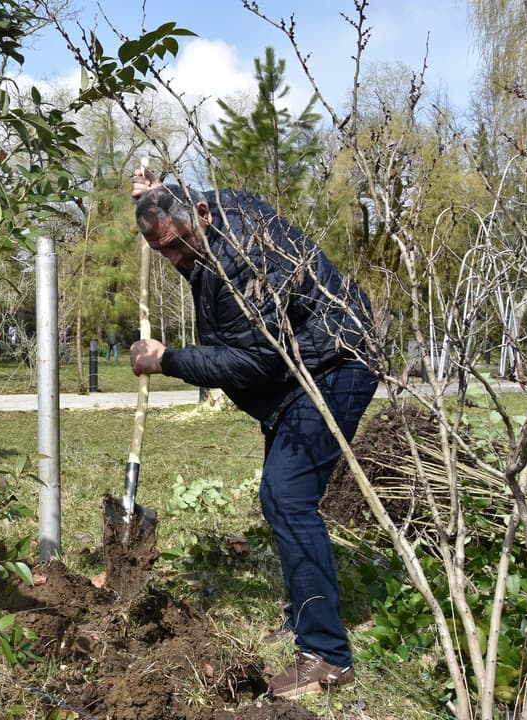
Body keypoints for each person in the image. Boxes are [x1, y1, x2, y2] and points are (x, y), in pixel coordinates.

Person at [128, 170, 377, 699]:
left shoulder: (244, 258)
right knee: (279, 496)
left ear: (201, 216)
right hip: (302, 368)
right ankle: (307, 613)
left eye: (175, 246)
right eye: (161, 250)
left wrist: (166, 359)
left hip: (336, 362)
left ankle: (327, 656)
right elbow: (180, 227)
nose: (173, 260)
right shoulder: (204, 220)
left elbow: (254, 359)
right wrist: (153, 195)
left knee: (288, 497)